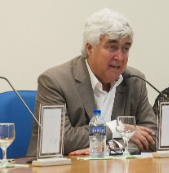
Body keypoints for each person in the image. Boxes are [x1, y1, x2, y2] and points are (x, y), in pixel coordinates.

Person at [27, 8, 156, 156]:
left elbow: (153, 137)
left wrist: (112, 147)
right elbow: (58, 140)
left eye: (125, 49)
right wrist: (114, 128)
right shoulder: (55, 81)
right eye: (112, 47)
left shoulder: (134, 80)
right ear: (90, 48)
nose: (120, 57)